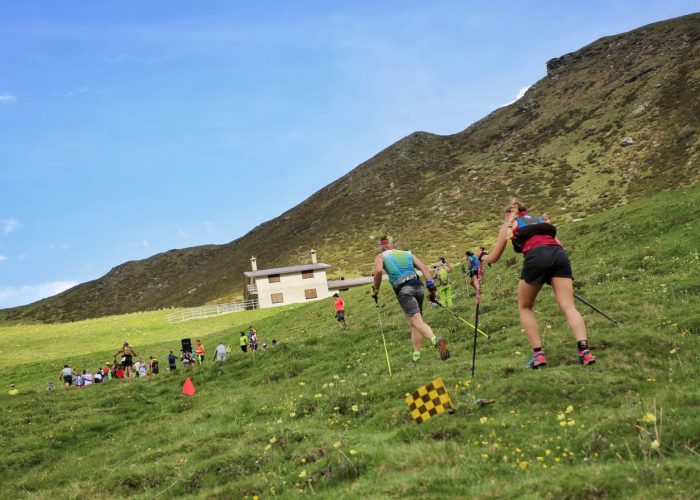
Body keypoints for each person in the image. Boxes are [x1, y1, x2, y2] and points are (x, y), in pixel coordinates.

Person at [481, 198, 596, 368]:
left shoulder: (510, 223)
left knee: (525, 306)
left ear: (507, 214)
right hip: (559, 255)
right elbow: (559, 244)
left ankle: (538, 355)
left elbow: (495, 257)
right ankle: (584, 352)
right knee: (569, 306)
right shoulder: (538, 221)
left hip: (536, 257)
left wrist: (483, 258)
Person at [372, 235, 450, 363]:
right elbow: (424, 268)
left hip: (404, 290)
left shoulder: (381, 257)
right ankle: (416, 357)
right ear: (394, 244)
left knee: (417, 322)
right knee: (415, 323)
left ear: (381, 246)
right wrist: (432, 290)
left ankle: (436, 340)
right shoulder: (407, 254)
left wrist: (376, 291)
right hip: (418, 287)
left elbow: (379, 272)